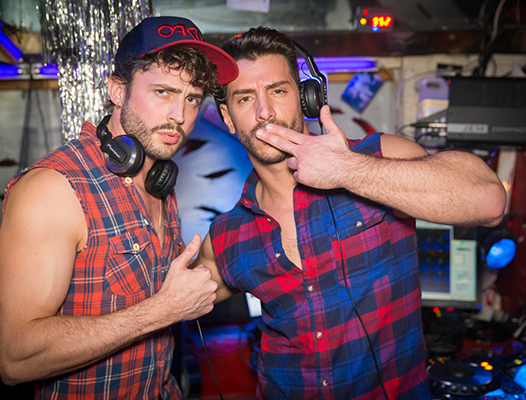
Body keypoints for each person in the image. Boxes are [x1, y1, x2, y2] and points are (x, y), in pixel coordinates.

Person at [197, 27, 507, 399]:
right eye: (245, 98)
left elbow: (489, 201)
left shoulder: (376, 157)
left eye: (278, 91)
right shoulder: (228, 233)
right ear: (228, 117)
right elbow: (177, 300)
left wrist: (346, 170)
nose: (265, 112)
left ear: (306, 99)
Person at [0, 16, 238, 399]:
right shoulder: (54, 189)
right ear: (118, 90)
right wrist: (162, 310)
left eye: (192, 98)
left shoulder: (158, 179)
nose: (179, 115)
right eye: (163, 92)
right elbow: (15, 357)